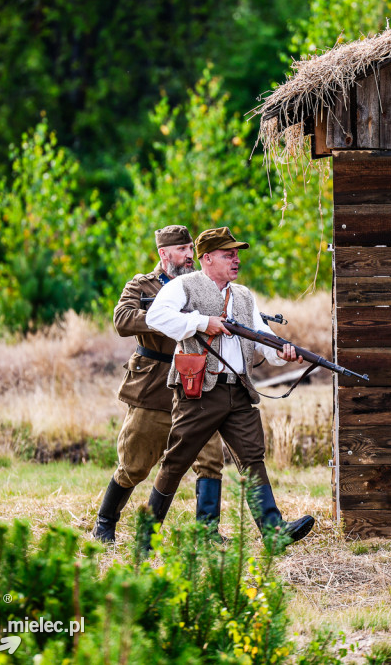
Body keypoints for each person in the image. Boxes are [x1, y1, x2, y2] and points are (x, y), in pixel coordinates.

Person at [142, 226, 315, 550]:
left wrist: (282, 353)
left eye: (236, 254)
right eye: (228, 254)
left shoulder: (244, 296)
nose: (236, 260)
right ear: (207, 259)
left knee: (253, 458)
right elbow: (156, 317)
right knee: (176, 462)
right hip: (200, 392)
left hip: (238, 390)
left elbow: (261, 339)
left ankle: (273, 532)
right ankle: (145, 536)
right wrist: (200, 322)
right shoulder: (185, 286)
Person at [92, 225, 227, 544]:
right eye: (182, 250)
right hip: (153, 387)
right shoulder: (143, 285)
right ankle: (105, 523)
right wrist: (165, 316)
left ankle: (207, 533)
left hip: (195, 385)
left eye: (191, 249)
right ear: (164, 253)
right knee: (133, 465)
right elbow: (122, 320)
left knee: (210, 459)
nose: (189, 255)